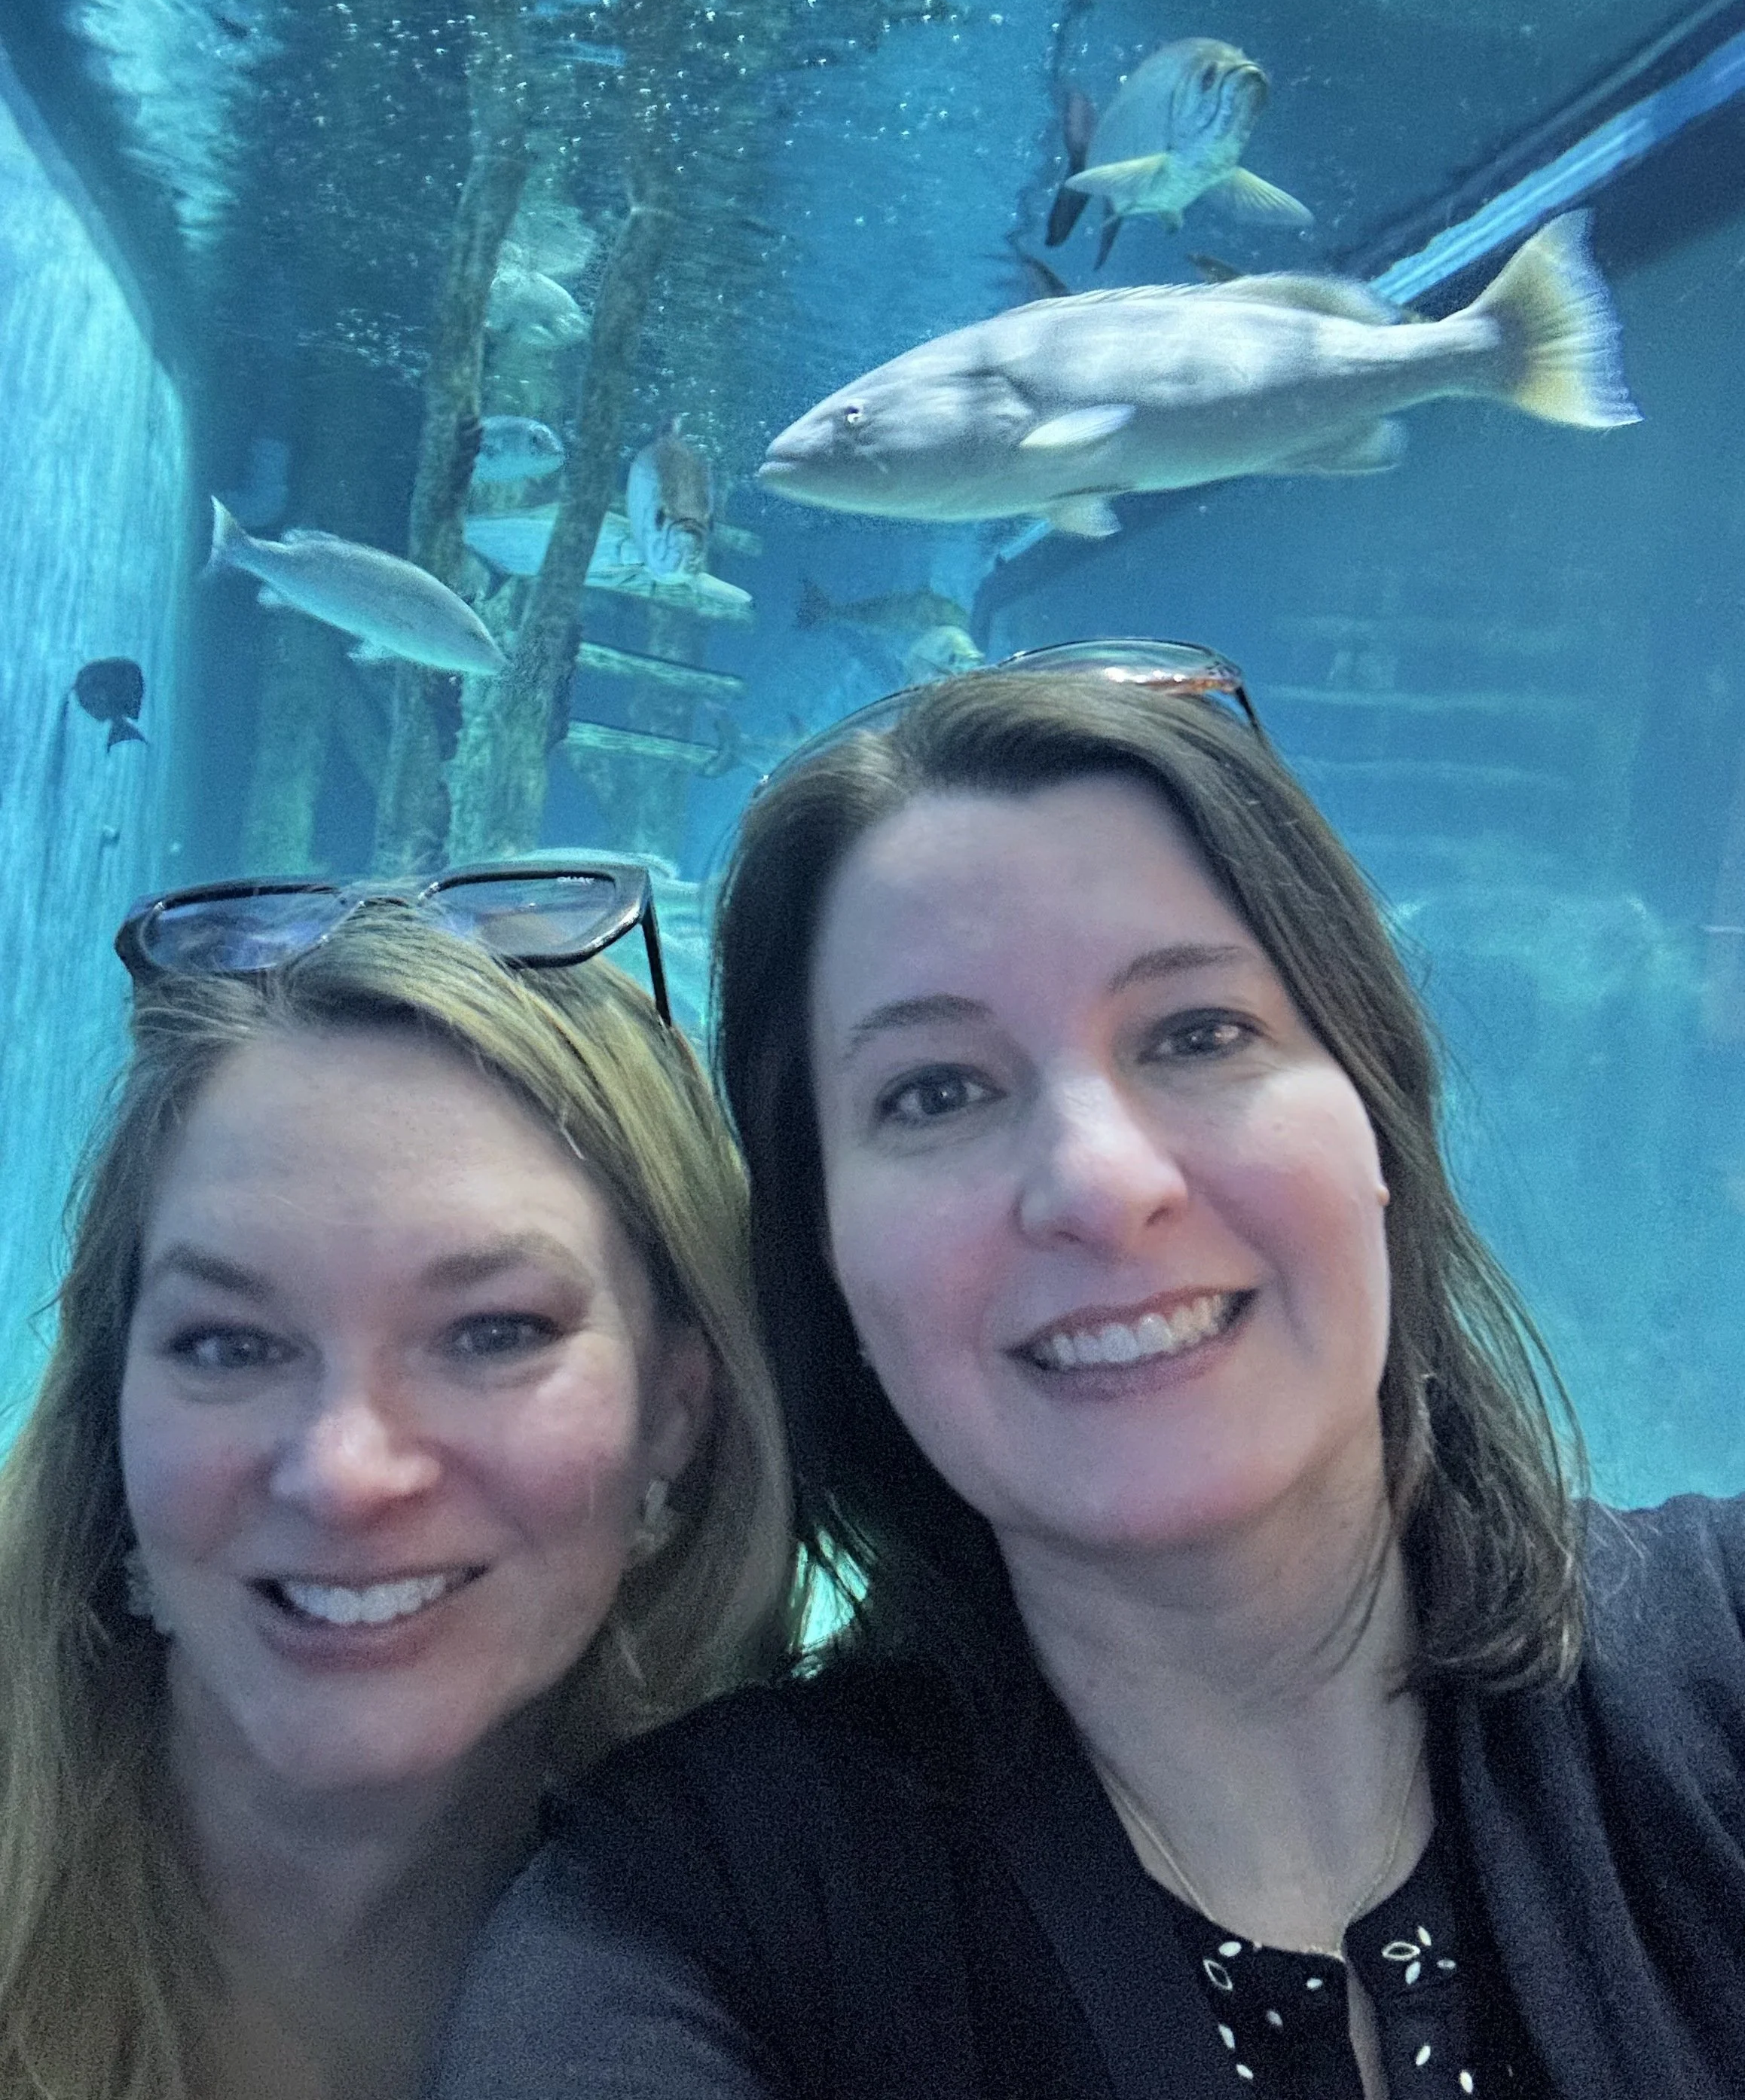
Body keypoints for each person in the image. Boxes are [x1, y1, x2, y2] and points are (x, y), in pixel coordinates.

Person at [435, 649, 1745, 2100]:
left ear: (1379, 1118)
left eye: (1199, 1034)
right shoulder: (689, 1916)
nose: (1099, 1183)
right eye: (936, 1091)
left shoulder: (1723, 1656)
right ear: (826, 1259)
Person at [0, 860, 791, 2100]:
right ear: (112, 1412)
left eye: (492, 1333)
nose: (343, 1473)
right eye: (229, 1344)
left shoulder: (842, 1945)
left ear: (678, 1411)